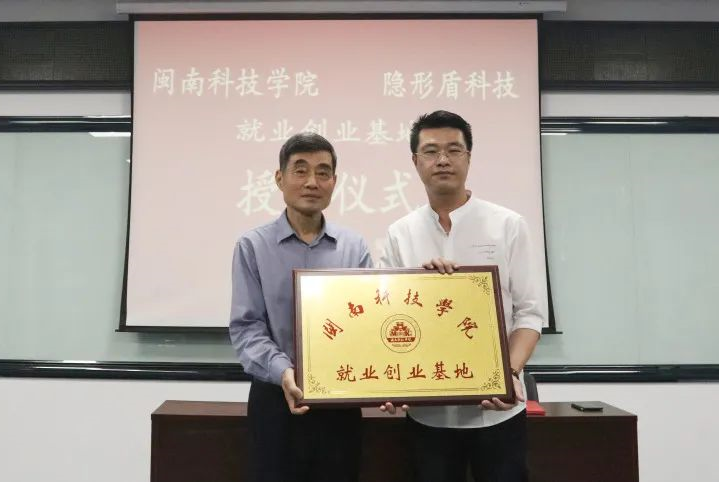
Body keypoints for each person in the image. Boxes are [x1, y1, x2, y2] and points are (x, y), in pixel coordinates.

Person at [380, 110, 545, 482]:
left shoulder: (507, 225)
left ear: (468, 157)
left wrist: (507, 374)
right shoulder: (399, 234)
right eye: (431, 151)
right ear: (415, 161)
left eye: (454, 149)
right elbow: (388, 320)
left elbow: (529, 314)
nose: (443, 160)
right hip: (428, 415)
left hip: (499, 412)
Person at [229, 132, 372, 482]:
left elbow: (368, 325)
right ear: (280, 178)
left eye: (323, 172)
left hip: (340, 402)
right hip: (275, 400)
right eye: (300, 170)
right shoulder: (252, 246)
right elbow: (247, 327)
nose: (312, 182)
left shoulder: (354, 247)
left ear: (334, 182)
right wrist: (283, 371)